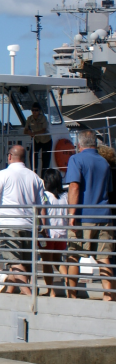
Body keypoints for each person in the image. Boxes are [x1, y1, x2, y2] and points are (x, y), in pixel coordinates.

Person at [0, 145, 46, 296]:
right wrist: (43, 226)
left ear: (9, 156)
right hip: (29, 225)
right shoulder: (35, 177)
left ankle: (28, 294)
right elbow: (42, 205)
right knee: (24, 262)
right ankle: (9, 291)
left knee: (14, 261)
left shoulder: (3, 174)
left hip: (9, 224)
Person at [64, 130, 113, 300]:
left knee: (73, 256)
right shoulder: (104, 163)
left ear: (79, 144)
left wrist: (71, 216)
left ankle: (72, 295)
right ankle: (109, 296)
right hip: (104, 216)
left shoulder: (76, 159)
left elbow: (74, 187)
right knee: (104, 258)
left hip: (83, 217)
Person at [42, 168, 69, 298]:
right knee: (58, 260)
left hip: (48, 234)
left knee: (46, 262)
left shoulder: (46, 195)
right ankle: (68, 285)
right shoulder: (65, 196)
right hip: (62, 233)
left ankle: (50, 291)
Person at [23, 102, 52, 175]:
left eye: (36, 110)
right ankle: (34, 173)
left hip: (46, 140)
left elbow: (44, 130)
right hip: (37, 140)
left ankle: (43, 176)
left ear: (39, 111)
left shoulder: (43, 118)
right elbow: (25, 130)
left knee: (45, 159)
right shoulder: (29, 119)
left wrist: (34, 133)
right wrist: (29, 132)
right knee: (32, 156)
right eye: (33, 110)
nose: (34, 112)